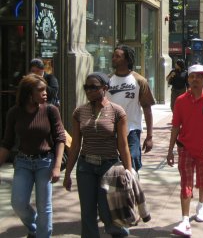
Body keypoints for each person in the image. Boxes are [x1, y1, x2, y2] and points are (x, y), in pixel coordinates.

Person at [63, 72, 133, 238]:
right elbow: (75, 145)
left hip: (108, 167)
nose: (89, 91)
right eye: (86, 87)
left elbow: (123, 145)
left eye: (93, 87)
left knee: (107, 211)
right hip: (85, 166)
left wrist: (129, 170)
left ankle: (120, 234)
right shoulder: (79, 112)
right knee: (87, 213)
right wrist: (67, 173)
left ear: (105, 88)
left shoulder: (117, 112)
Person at [0, 74, 66, 238]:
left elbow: (60, 138)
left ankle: (44, 235)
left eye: (46, 89)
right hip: (23, 162)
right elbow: (7, 142)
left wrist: (57, 166)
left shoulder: (51, 110)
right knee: (18, 203)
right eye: (40, 90)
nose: (46, 93)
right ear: (29, 93)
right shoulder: (14, 113)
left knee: (44, 206)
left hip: (45, 162)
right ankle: (34, 225)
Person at [166, 64, 203, 237]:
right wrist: (170, 150)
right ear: (188, 79)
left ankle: (201, 205)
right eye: (192, 76)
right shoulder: (181, 101)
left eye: (199, 76)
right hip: (186, 149)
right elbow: (176, 126)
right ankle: (184, 220)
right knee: (186, 182)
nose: (195, 79)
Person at [107, 45, 155, 171]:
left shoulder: (139, 81)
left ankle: (133, 187)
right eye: (113, 56)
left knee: (131, 162)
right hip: (110, 131)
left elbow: (147, 109)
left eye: (118, 56)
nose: (113, 59)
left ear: (127, 60)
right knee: (113, 166)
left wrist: (149, 136)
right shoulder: (107, 80)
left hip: (132, 130)